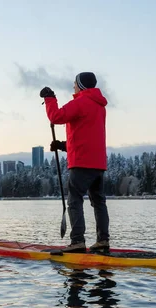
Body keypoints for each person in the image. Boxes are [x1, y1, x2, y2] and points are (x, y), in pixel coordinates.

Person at [40, 72, 110, 253]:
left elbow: (55, 116)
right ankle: (103, 240)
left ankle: (77, 241)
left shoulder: (80, 102)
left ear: (81, 85)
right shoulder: (100, 107)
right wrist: (63, 145)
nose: (73, 87)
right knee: (99, 202)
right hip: (98, 163)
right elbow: (87, 137)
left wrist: (49, 98)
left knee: (74, 200)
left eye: (75, 84)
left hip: (81, 163)